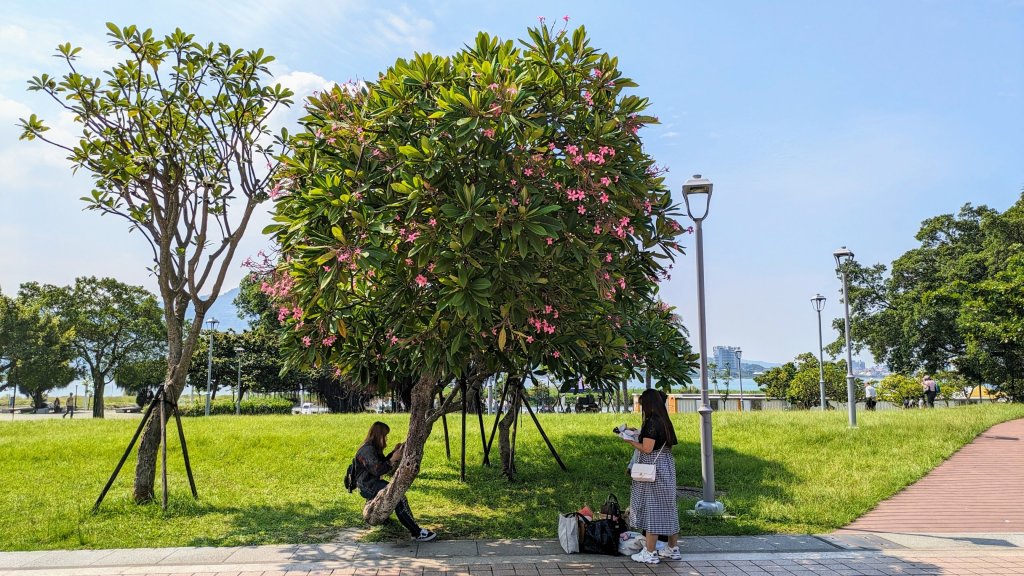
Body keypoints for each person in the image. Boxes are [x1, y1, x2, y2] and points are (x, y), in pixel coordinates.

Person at [620, 389, 680, 564]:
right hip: (666, 466)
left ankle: (650, 552)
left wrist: (629, 440)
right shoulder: (664, 420)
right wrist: (639, 433)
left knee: (652, 508)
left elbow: (647, 448)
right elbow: (657, 441)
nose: (641, 407)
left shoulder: (652, 422)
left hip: (653, 469)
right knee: (668, 508)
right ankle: (672, 549)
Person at [354, 421, 436, 542]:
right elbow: (378, 470)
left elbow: (380, 464)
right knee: (398, 498)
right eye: (385, 436)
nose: (386, 439)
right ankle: (417, 532)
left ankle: (414, 530)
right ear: (379, 435)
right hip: (368, 486)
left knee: (397, 498)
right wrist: (393, 459)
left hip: (370, 484)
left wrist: (394, 453)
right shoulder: (368, 450)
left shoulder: (371, 448)